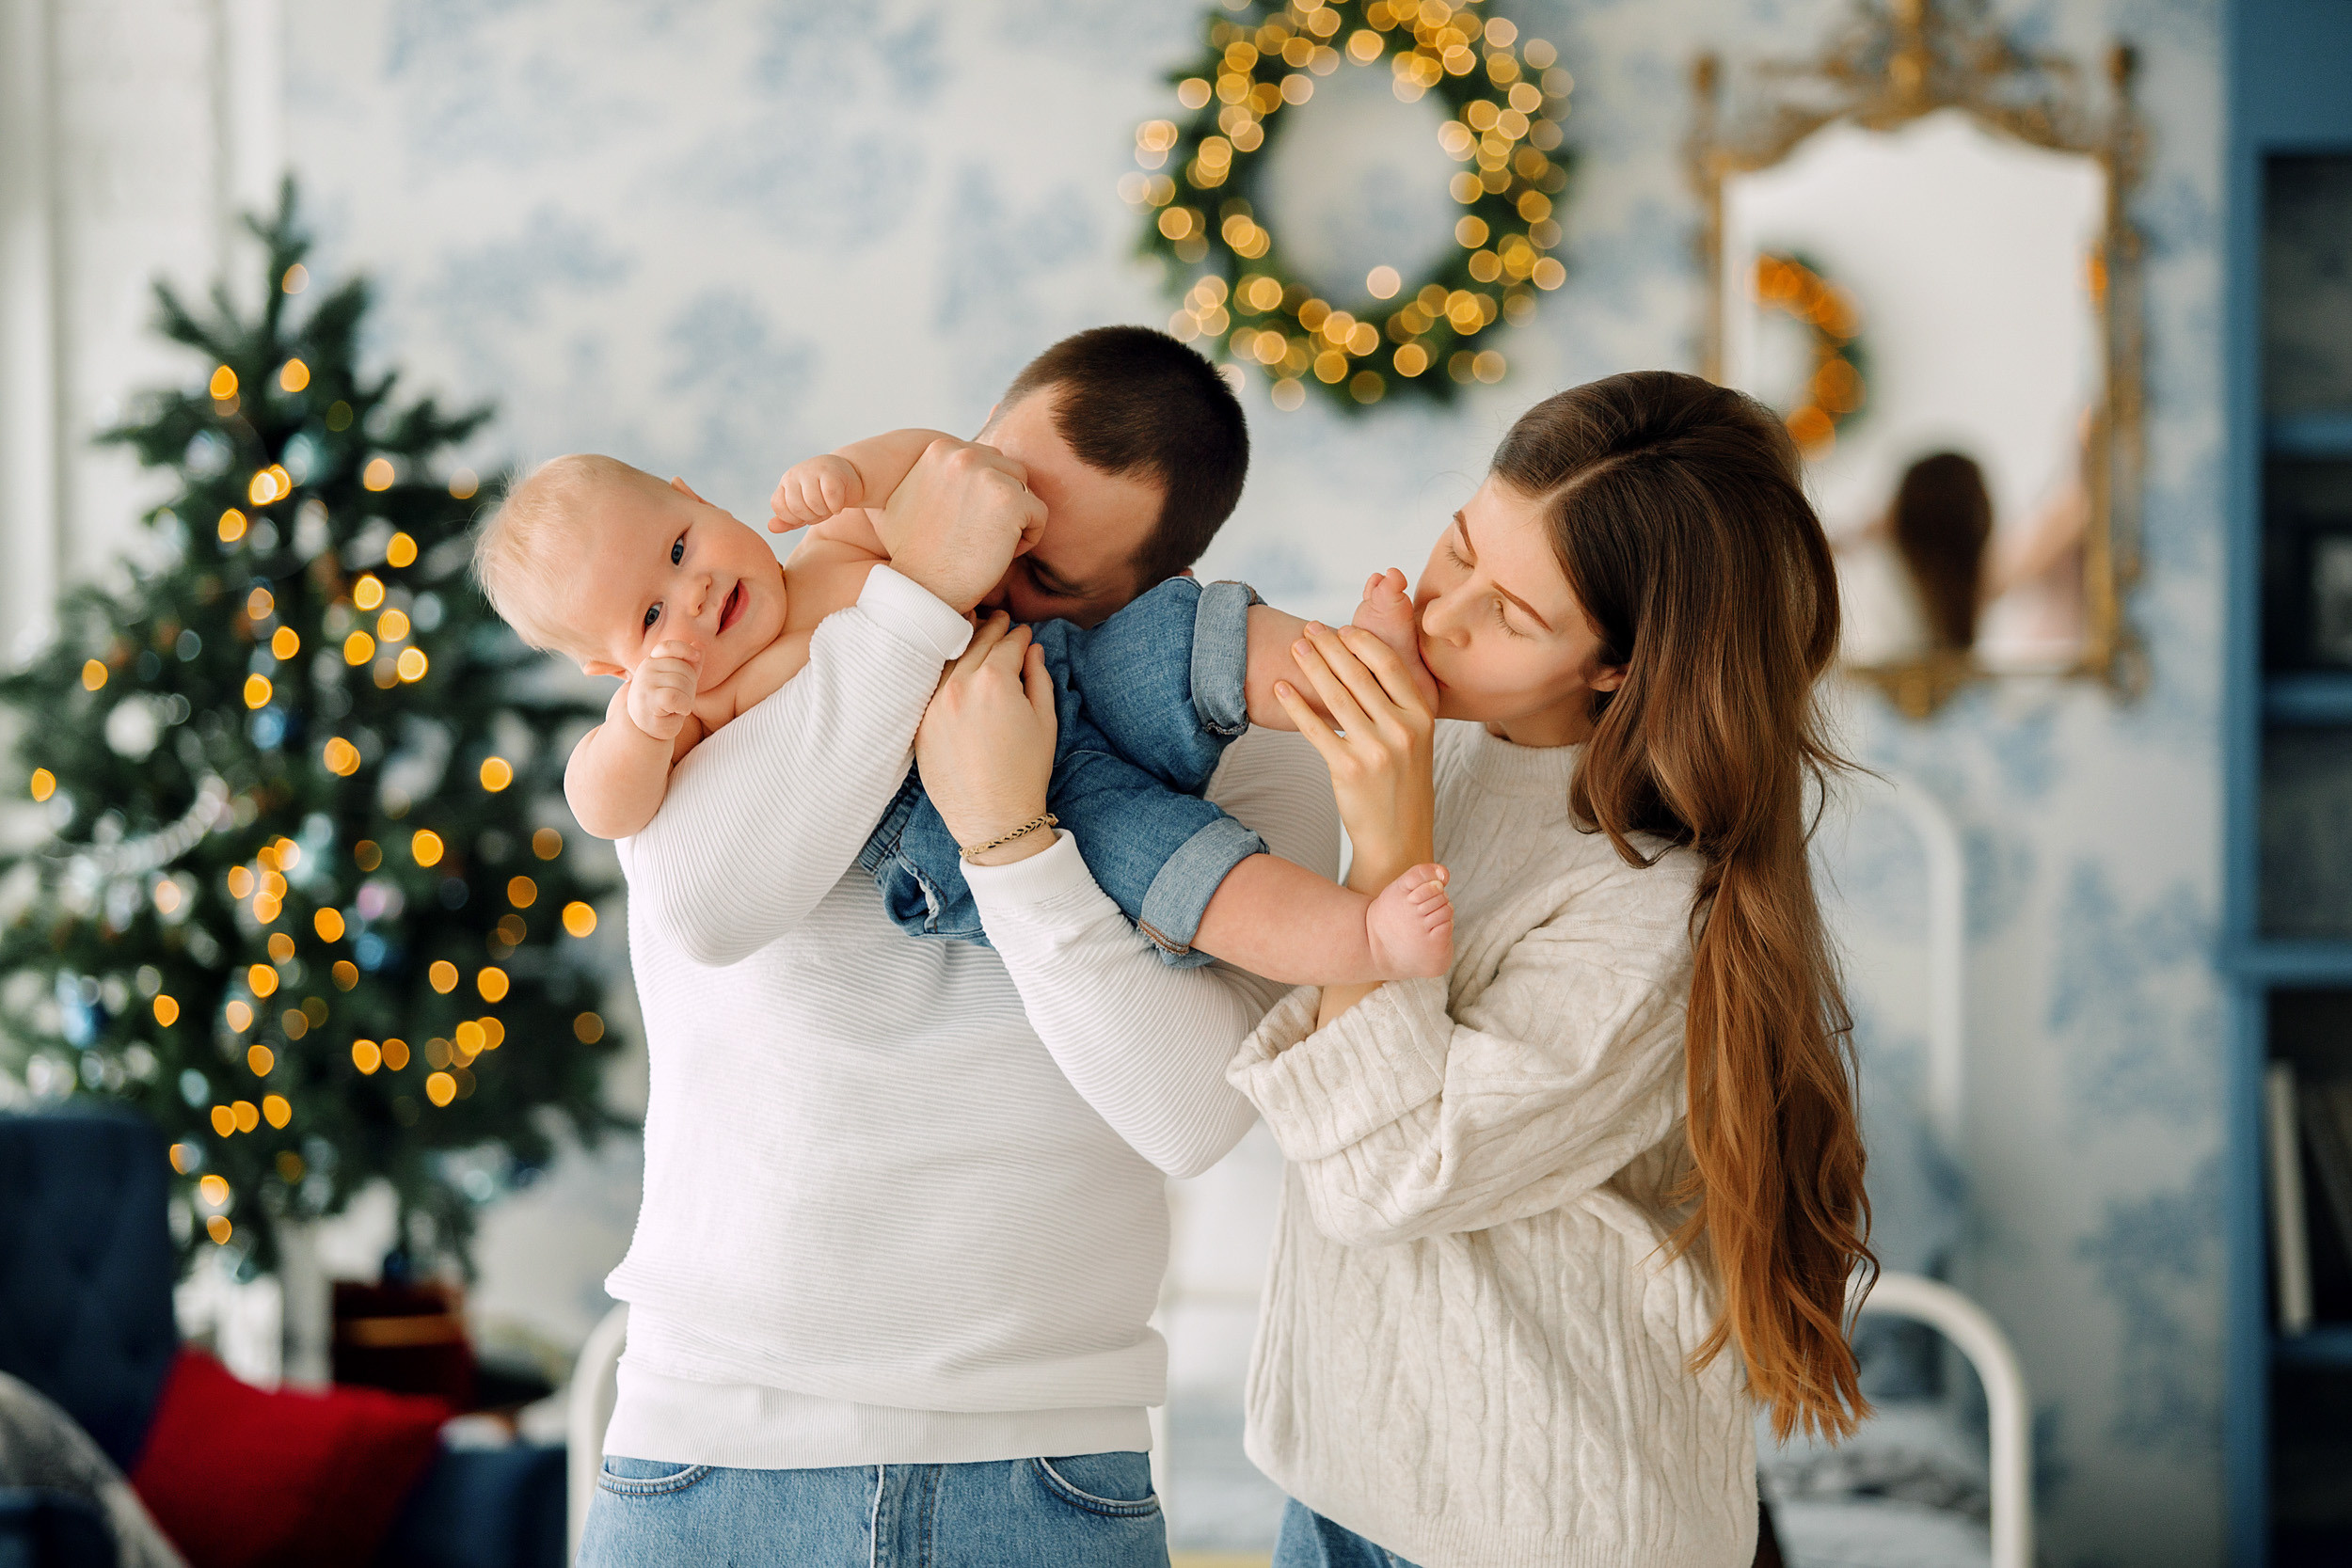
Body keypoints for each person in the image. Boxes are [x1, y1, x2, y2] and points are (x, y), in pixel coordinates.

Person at [564, 326, 1339, 1567]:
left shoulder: (1238, 751)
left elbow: (1192, 1113)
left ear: (1138, 597)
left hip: (1044, 1471)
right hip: (713, 1448)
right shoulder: (746, 642)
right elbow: (709, 902)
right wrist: (909, 606)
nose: (989, 541)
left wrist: (1011, 836)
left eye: (1042, 568)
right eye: (990, 480)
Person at [1207, 371, 1872, 1566]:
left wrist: (1387, 843)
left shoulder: (1656, 907)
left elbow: (1381, 1181)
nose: (1443, 612)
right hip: (1344, 1482)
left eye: (1510, 614)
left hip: (1544, 1524)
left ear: (1618, 665)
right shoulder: (1438, 743)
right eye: (1456, 545)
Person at [474, 443, 1451, 983]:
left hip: (1057, 671)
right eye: (649, 614)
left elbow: (938, 472)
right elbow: (605, 804)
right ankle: (1361, 942)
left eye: (680, 547)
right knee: (1173, 866)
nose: (689, 598)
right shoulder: (701, 699)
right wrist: (638, 727)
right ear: (613, 663)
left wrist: (854, 474)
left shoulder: (836, 542)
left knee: (1185, 635)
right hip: (984, 821)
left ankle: (1361, 668)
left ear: (695, 492)